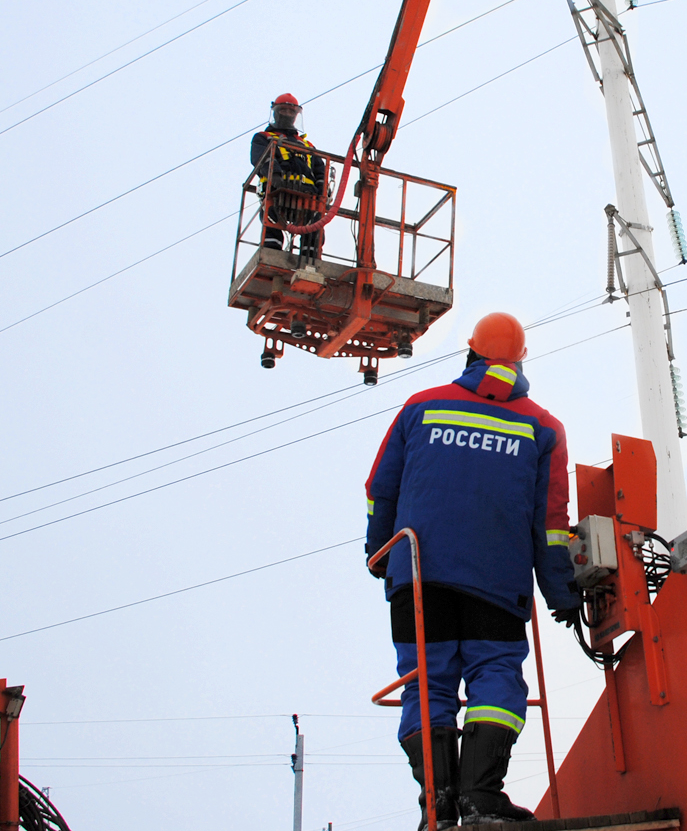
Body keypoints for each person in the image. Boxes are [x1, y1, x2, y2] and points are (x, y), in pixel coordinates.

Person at [365, 312, 581, 827]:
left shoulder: (421, 407)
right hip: (496, 580)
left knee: (426, 682)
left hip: (417, 574)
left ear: (471, 354)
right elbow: (550, 528)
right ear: (519, 363)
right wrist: (564, 597)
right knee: (495, 678)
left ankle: (435, 806)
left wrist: (381, 553)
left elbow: (381, 489)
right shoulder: (543, 427)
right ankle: (481, 798)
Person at [250, 93, 326, 262]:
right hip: (277, 193)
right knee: (272, 231)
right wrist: (275, 174)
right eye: (283, 110)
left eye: (291, 112)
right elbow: (260, 158)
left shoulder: (307, 145)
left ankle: (310, 264)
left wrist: (321, 193)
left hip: (306, 197)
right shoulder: (264, 138)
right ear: (275, 113)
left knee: (314, 229)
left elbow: (320, 170)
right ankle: (271, 260)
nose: (287, 114)